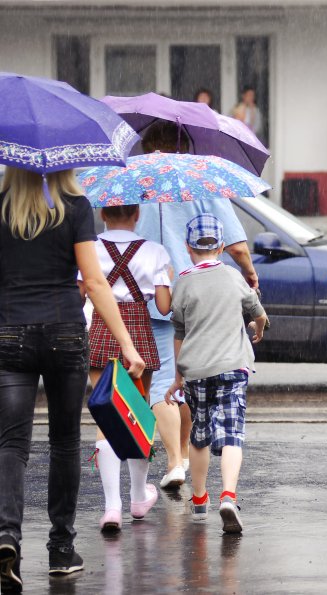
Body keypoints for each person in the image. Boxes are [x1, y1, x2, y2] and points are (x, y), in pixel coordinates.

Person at [0, 168, 145, 589]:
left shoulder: (2, 207)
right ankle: (61, 549)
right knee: (64, 443)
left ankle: (7, 534)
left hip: (9, 332)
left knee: (11, 443)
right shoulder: (76, 208)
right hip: (64, 332)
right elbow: (96, 282)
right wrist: (127, 345)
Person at [135, 122, 259, 493]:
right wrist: (250, 275)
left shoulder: (138, 183)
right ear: (184, 146)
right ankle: (180, 460)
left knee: (163, 382)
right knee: (188, 380)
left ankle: (179, 459)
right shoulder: (199, 181)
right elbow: (235, 244)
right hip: (203, 295)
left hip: (153, 295)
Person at [165, 214, 268, 534]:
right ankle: (227, 496)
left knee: (200, 436)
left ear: (187, 247)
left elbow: (178, 333)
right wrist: (258, 328)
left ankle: (198, 501)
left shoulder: (182, 282)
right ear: (222, 247)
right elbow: (258, 313)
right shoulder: (234, 277)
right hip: (232, 367)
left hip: (196, 371)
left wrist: (179, 377)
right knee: (232, 434)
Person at [79, 205, 172, 534]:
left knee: (106, 416)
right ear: (137, 215)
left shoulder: (89, 247)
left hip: (103, 328)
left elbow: (78, 297)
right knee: (137, 413)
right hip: (138, 331)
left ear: (103, 213)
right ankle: (136, 497)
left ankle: (111, 507)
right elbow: (163, 306)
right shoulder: (155, 251)